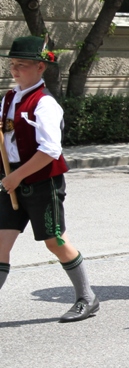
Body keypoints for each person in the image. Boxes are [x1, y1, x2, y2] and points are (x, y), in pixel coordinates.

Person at [0, 36, 98, 322]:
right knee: (1, 243)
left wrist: (16, 176)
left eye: (22, 65)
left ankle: (87, 297)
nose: (15, 70)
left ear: (40, 67)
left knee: (55, 241)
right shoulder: (8, 99)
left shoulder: (45, 104)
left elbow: (50, 151)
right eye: (12, 64)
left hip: (41, 181)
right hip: (10, 178)